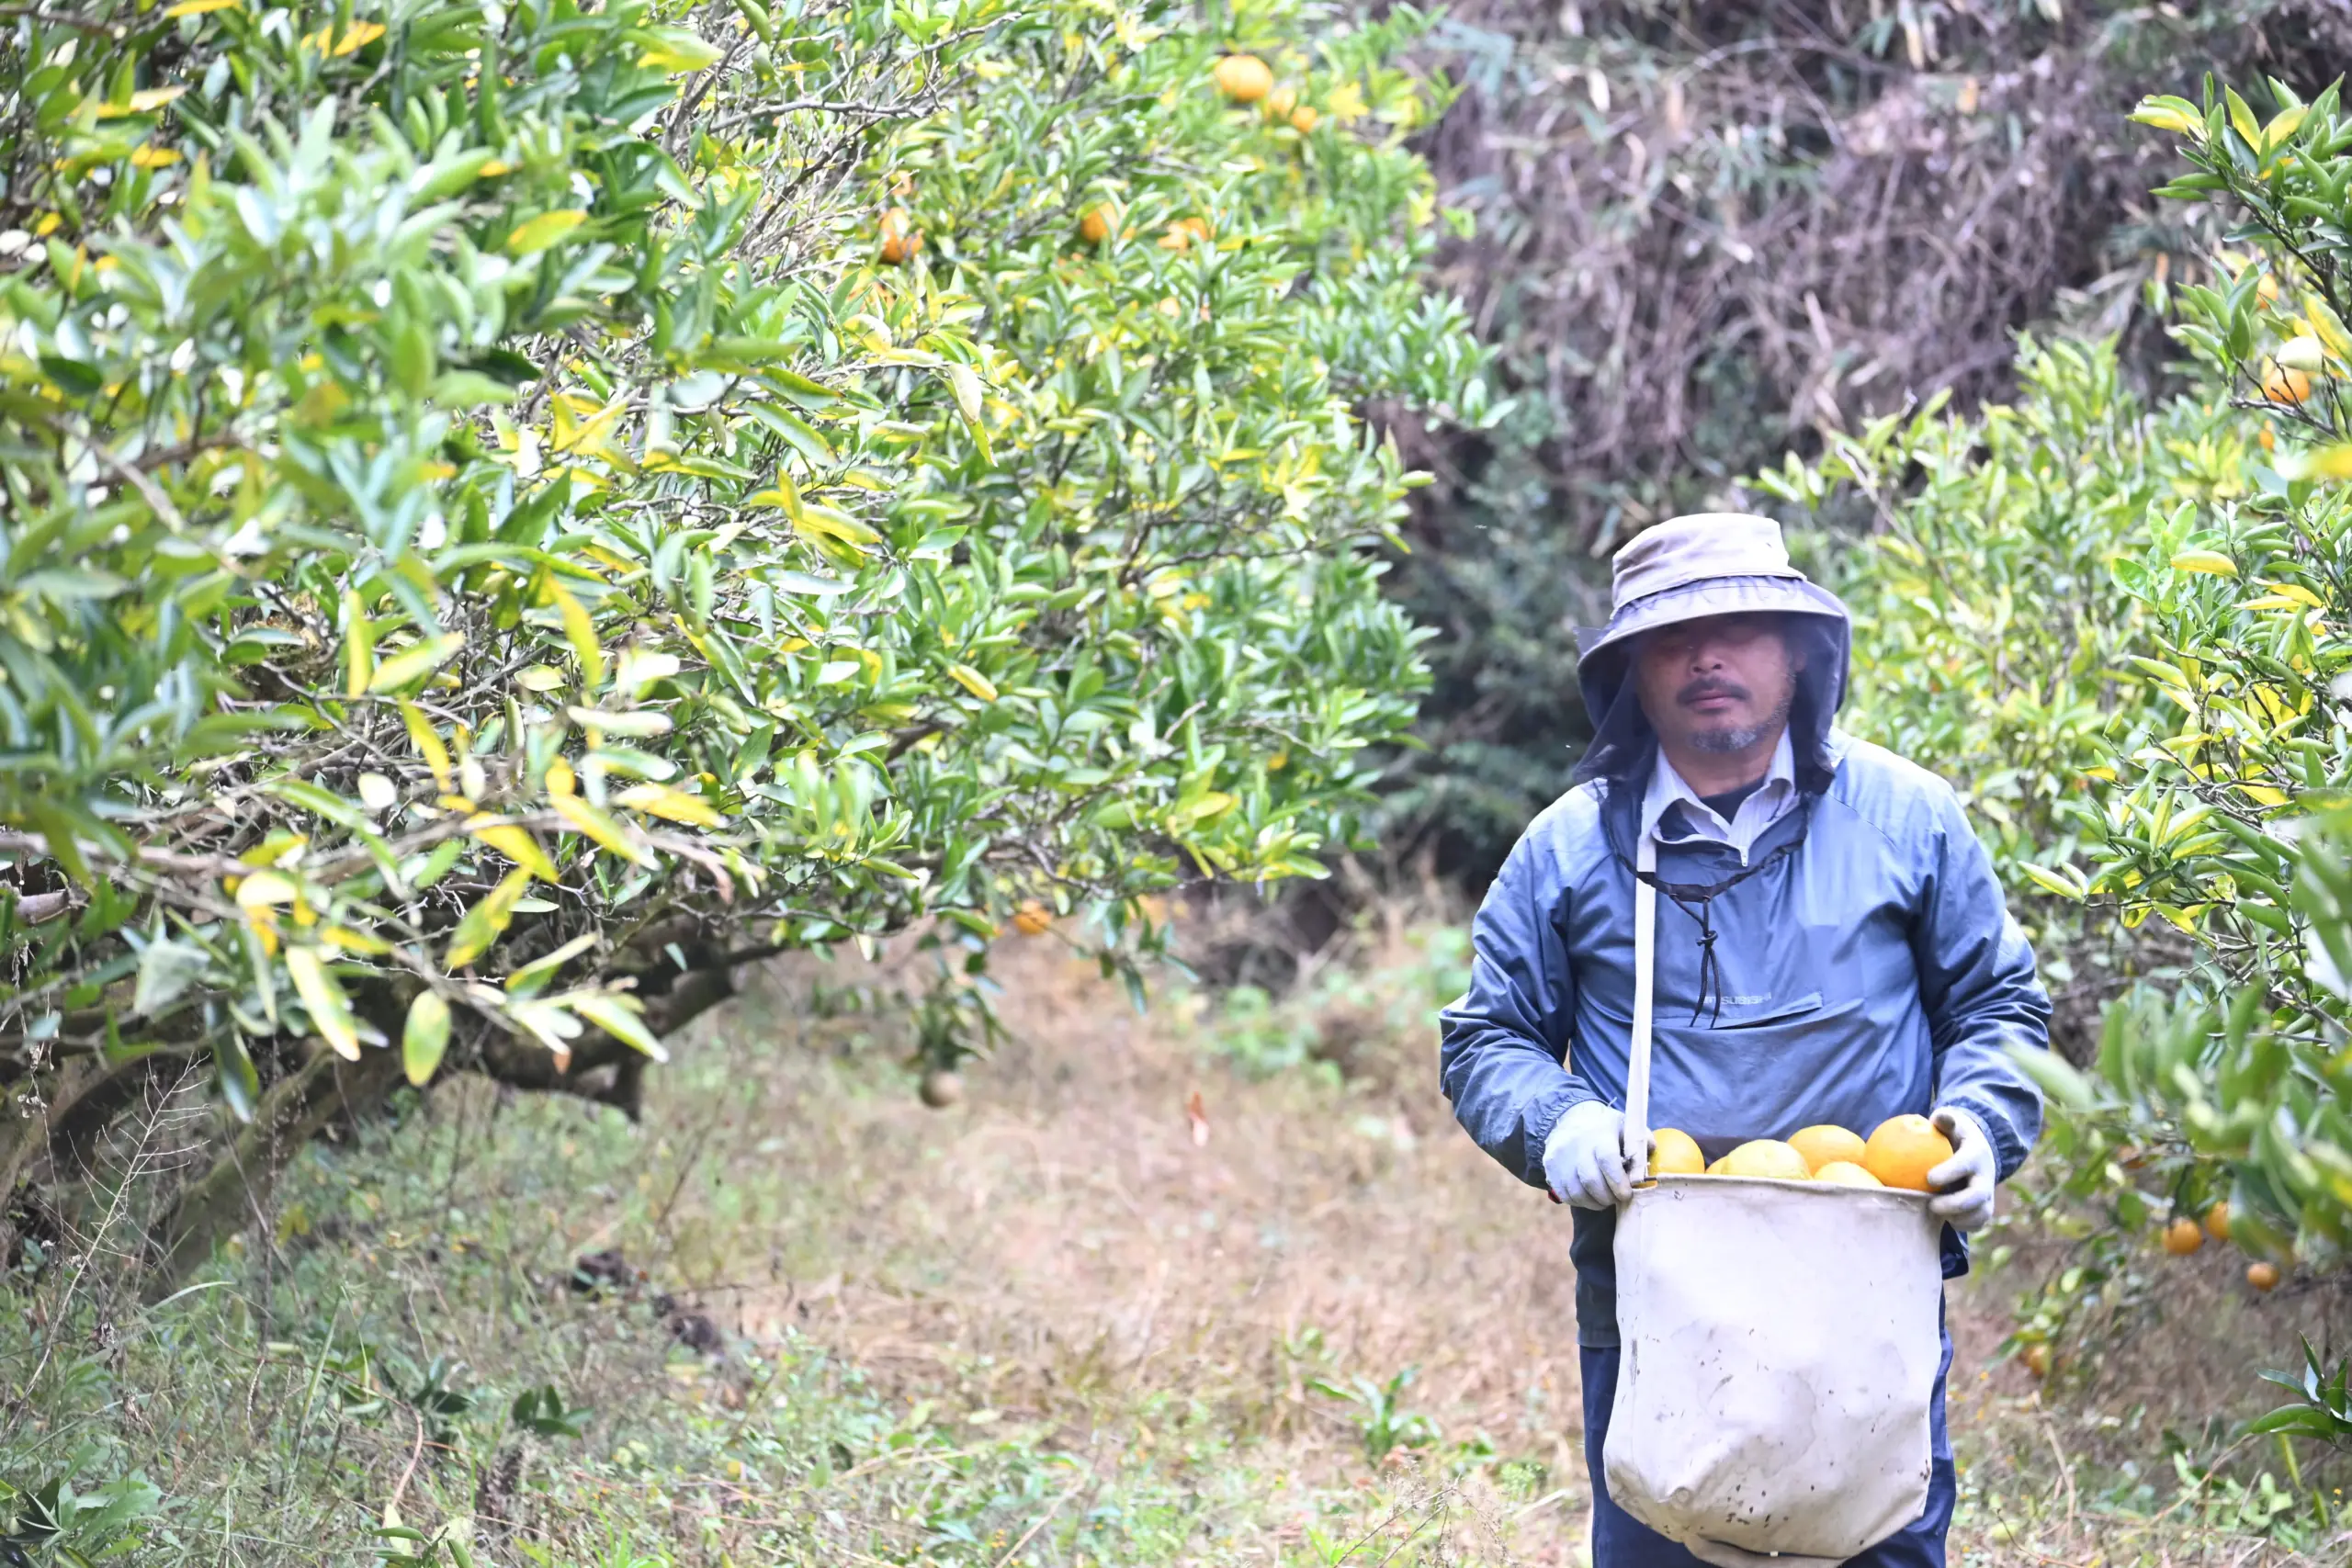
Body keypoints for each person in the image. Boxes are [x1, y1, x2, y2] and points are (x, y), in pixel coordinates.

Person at [1437, 513, 2050, 1568]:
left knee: (1874, 1545)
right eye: (1675, 638)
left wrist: (1983, 1126)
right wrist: (1557, 1123)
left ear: (1800, 657)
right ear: (1632, 670)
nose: (1708, 658)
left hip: (1864, 1287)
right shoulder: (1571, 848)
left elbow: (1996, 1005)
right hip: (1659, 1299)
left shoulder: (1906, 818)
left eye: (1741, 630)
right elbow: (1487, 1035)